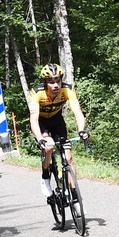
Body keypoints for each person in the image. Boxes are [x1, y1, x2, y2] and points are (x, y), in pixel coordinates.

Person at [28, 64, 89, 203]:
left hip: (57, 121)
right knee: (49, 147)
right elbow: (33, 119)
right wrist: (39, 138)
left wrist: (81, 130)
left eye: (58, 81)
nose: (55, 85)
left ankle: (75, 195)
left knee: (69, 159)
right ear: (45, 82)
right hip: (41, 123)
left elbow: (78, 112)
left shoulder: (68, 90)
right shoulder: (37, 92)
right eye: (51, 82)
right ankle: (45, 176)